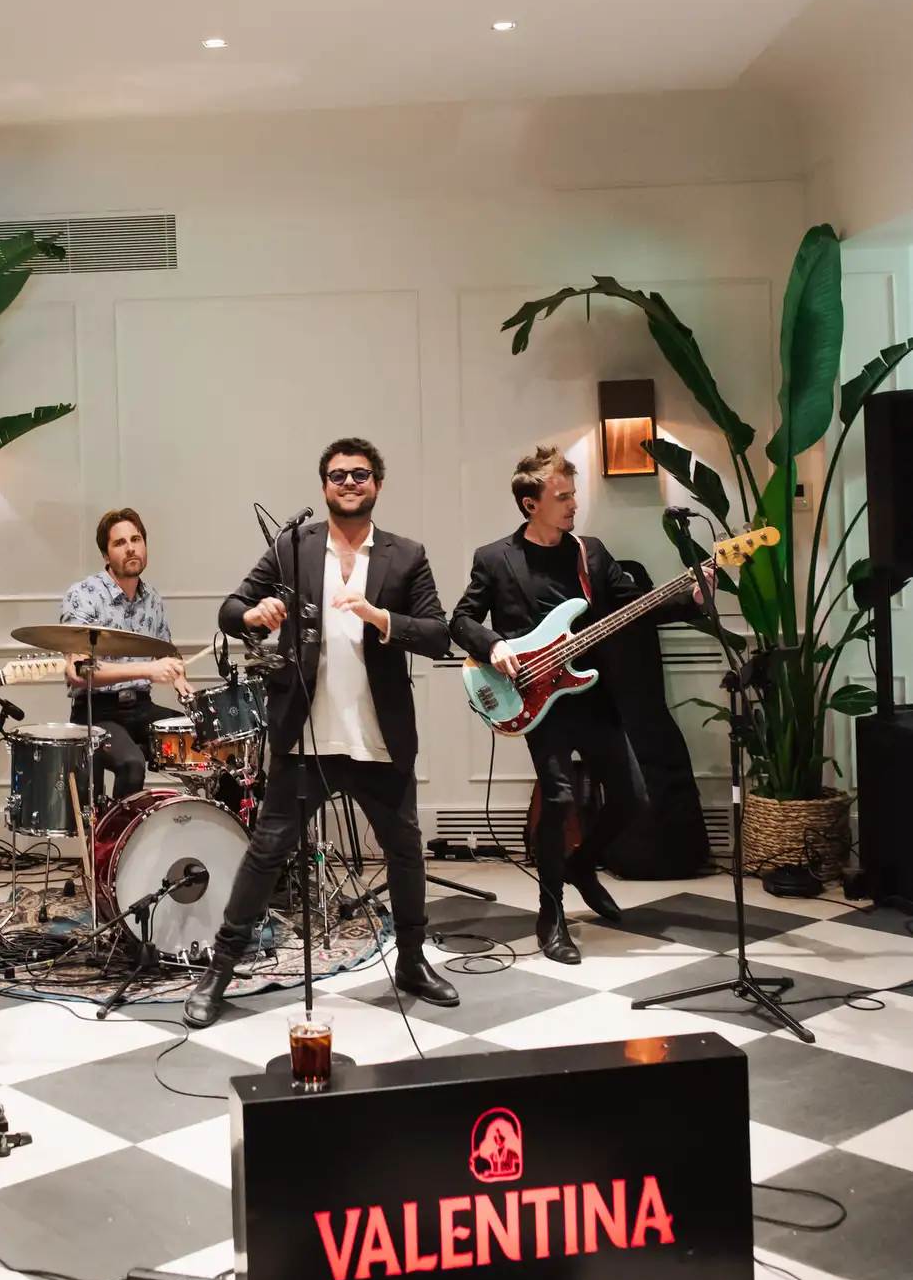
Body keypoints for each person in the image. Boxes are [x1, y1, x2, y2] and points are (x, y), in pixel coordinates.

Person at [183, 438, 458, 1028]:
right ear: (324, 486)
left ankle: (412, 961)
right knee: (266, 854)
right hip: (305, 737)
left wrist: (380, 618)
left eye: (360, 474)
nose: (349, 482)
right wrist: (251, 615)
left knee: (405, 852)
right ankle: (219, 972)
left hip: (379, 738)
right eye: (338, 475)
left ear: (377, 483)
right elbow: (230, 609)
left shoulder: (406, 555)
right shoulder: (294, 547)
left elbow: (438, 634)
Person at [450, 444, 710, 965]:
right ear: (531, 504)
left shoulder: (591, 554)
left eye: (574, 494)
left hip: (592, 694)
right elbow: (461, 620)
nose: (574, 505)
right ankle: (551, 914)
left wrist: (691, 599)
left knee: (632, 798)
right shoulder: (495, 558)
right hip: (535, 697)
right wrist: (494, 645)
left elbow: (632, 609)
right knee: (559, 799)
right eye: (563, 497)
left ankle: (582, 863)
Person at [61, 508, 192, 800]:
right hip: (96, 711)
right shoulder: (83, 595)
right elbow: (78, 671)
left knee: (205, 740)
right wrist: (147, 671)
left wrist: (181, 680)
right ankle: (119, 830)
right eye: (120, 543)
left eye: (136, 539)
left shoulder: (152, 599)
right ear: (106, 555)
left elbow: (167, 653)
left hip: (141, 707)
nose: (130, 548)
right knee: (131, 764)